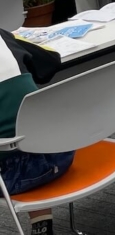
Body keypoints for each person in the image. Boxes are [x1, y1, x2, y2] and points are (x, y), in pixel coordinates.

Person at [0, 30, 71, 235]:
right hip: (59, 153)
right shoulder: (3, 36)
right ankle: (42, 226)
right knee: (24, 127)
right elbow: (50, 62)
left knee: (13, 141)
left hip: (9, 176)